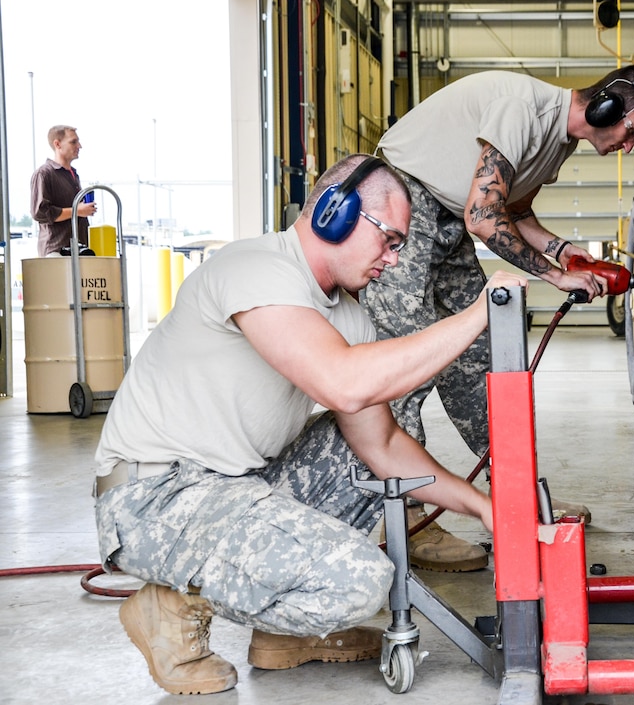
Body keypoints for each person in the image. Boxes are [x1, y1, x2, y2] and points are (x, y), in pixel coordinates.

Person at [93, 154, 527, 695]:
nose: (394, 261)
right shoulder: (253, 269)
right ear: (334, 213)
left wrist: (481, 506)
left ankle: (286, 637)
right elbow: (342, 383)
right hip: (155, 496)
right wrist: (475, 315)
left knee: (379, 442)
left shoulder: (350, 317)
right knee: (360, 582)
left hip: (235, 487)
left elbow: (383, 444)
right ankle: (171, 605)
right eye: (389, 240)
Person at [367, 65, 634, 570]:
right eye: (632, 131)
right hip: (401, 211)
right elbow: (483, 216)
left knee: (483, 366)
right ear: (605, 108)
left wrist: (565, 251)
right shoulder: (524, 110)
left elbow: (515, 212)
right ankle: (408, 523)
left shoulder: (558, 143)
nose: (631, 145)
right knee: (405, 374)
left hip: (445, 224)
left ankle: (516, 498)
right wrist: (552, 275)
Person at [30, 125, 97, 256]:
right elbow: (40, 212)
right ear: (57, 144)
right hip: (56, 252)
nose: (79, 146)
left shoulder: (73, 175)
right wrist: (77, 211)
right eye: (73, 142)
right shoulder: (44, 174)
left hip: (78, 252)